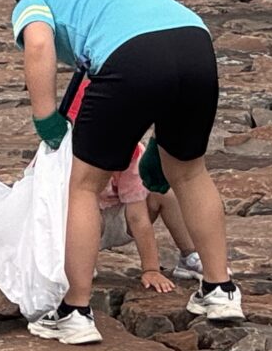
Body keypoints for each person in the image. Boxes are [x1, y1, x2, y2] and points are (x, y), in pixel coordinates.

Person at [10, 0, 241, 345]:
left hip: (128, 58)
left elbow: (38, 46)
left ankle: (75, 311)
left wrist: (45, 117)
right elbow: (159, 43)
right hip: (196, 47)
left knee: (84, 185)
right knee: (189, 171)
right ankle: (220, 289)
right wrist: (160, 142)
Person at [66, 80, 205, 293]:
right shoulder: (60, 153)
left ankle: (189, 255)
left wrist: (150, 269)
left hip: (118, 218)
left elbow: (137, 216)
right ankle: (78, 263)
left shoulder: (129, 155)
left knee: (164, 194)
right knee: (80, 210)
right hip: (75, 224)